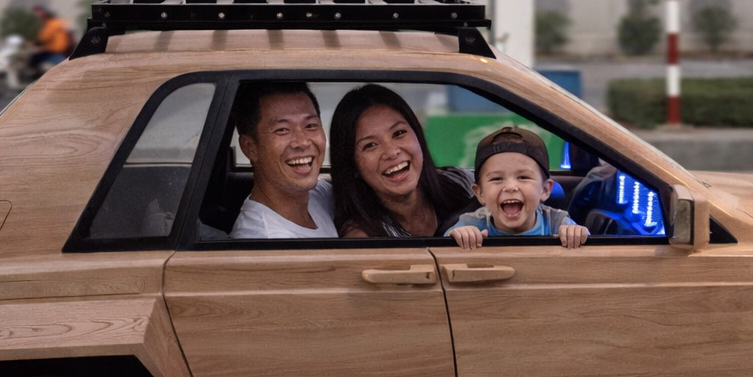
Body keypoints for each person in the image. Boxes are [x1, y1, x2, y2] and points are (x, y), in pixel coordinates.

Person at [330, 84, 475, 238]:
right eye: (370, 145)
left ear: (417, 134)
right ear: (353, 165)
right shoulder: (363, 238)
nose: (392, 152)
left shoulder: (463, 184)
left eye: (399, 133)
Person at [447, 126, 589, 249]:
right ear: (480, 193)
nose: (510, 187)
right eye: (497, 179)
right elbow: (444, 245)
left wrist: (575, 234)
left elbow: (586, 240)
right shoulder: (472, 223)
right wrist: (462, 235)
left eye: (523, 177)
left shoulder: (556, 221)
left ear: (545, 189)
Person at [229, 80, 336, 239]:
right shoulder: (264, 240)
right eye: (282, 130)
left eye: (310, 125)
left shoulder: (315, 196)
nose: (302, 142)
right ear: (250, 148)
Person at [30, 4, 74, 71]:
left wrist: (35, 44)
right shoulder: (60, 22)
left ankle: (32, 72)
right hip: (65, 52)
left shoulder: (50, 25)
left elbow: (42, 39)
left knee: (35, 57)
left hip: (57, 53)